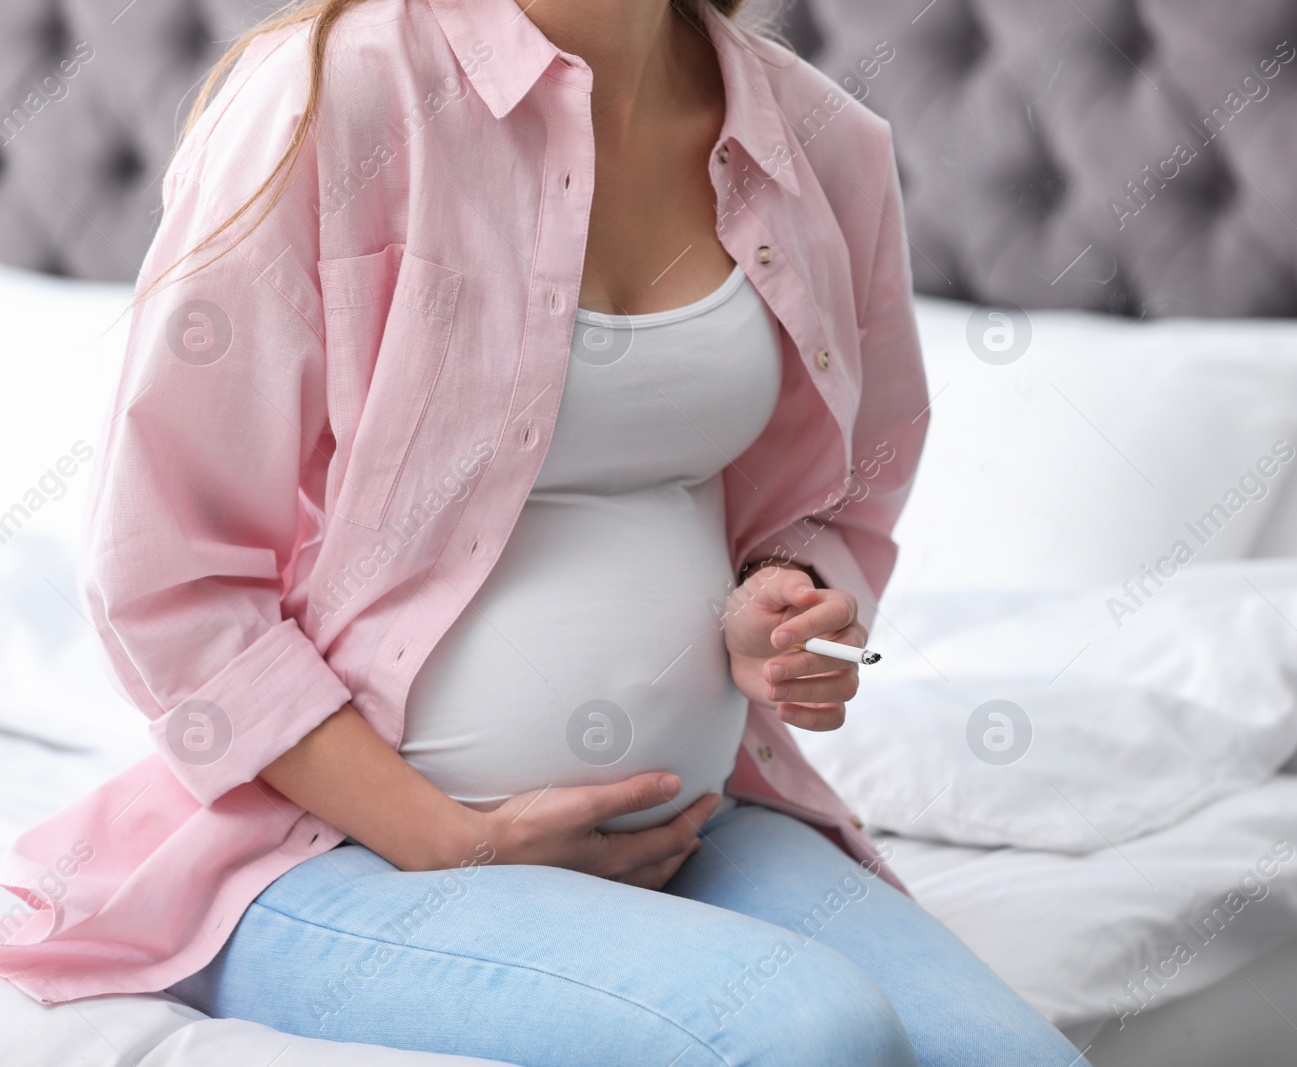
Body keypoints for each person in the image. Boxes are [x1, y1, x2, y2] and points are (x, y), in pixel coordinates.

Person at [0, 0, 1089, 1062]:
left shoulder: (819, 141)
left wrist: (785, 594)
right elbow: (168, 571)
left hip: (691, 825)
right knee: (804, 1030)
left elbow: (847, 485)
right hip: (343, 848)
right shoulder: (335, 94)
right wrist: (454, 841)